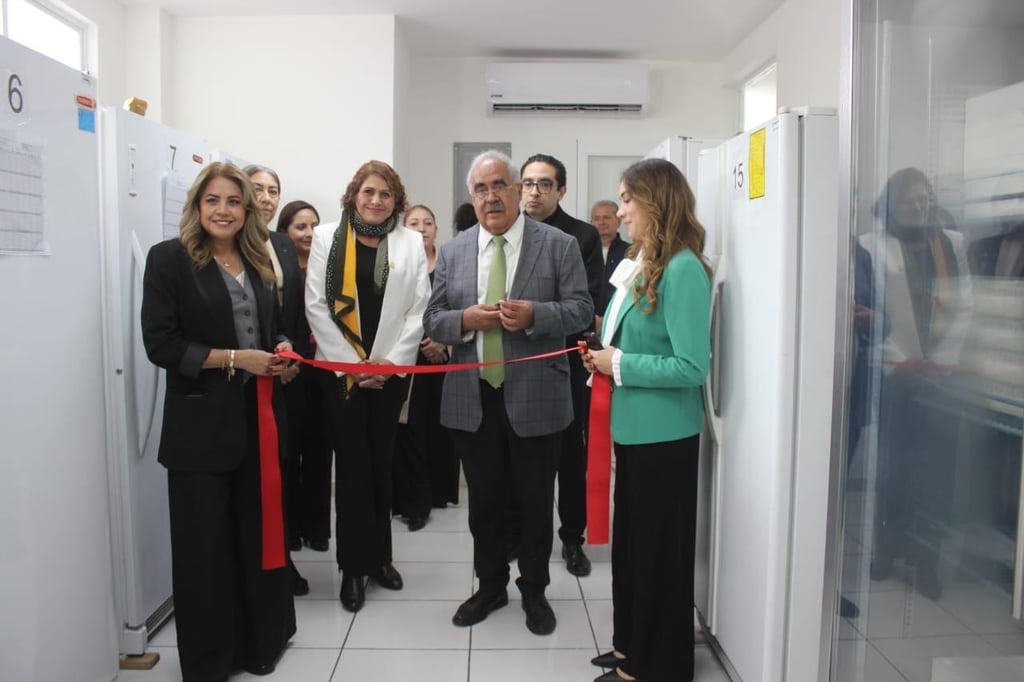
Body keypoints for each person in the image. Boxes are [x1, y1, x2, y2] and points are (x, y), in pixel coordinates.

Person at [423, 150, 593, 636]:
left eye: (500, 184)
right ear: (471, 198)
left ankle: (534, 591)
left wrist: (538, 316)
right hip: (472, 397)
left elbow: (581, 310)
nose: (491, 195)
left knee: (536, 503)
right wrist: (465, 321)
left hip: (536, 398)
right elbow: (433, 320)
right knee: (485, 504)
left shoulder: (558, 245)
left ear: (518, 190)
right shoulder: (454, 251)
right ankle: (491, 585)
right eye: (480, 188)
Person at [141, 161, 296, 679]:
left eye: (234, 201)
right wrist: (235, 359)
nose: (224, 210)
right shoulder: (170, 260)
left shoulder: (256, 261)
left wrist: (281, 348)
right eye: (214, 200)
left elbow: (266, 329)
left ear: (247, 210)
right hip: (199, 433)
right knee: (203, 550)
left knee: (254, 535)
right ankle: (211, 661)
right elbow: (161, 346)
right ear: (197, 206)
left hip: (257, 422)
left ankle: (259, 645)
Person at [581, 158, 711, 682]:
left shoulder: (683, 269)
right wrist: (604, 353)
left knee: (658, 556)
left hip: (665, 437)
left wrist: (620, 364)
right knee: (635, 551)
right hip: (634, 430)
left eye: (629, 200)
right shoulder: (644, 260)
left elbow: (691, 366)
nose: (621, 210)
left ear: (657, 202)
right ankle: (632, 645)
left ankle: (658, 666)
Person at [305, 160, 430, 613]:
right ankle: (353, 569)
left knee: (382, 466)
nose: (376, 200)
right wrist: (352, 366)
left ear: (396, 200)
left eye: (385, 194)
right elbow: (316, 306)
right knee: (353, 470)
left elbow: (419, 308)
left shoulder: (411, 241)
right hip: (342, 377)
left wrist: (390, 363)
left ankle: (380, 559)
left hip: (390, 375)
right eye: (368, 192)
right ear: (353, 195)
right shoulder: (326, 238)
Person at [860, 167, 971, 601]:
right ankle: (887, 551)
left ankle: (928, 563)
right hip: (895, 373)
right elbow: (867, 306)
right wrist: (901, 359)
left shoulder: (950, 244)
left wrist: (941, 361)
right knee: (892, 470)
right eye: (911, 201)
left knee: (935, 475)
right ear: (893, 205)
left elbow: (965, 305)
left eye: (925, 199)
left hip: (941, 376)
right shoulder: (871, 246)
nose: (920, 207)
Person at [520, 153, 604, 577]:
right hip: (515, 363)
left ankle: (573, 539)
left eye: (545, 184)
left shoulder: (582, 236)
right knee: (522, 459)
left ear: (561, 190)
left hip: (565, 363)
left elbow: (584, 302)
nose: (534, 191)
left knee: (571, 456)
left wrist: (534, 313)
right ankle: (523, 535)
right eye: (528, 183)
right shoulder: (507, 231)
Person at [244, 164, 309, 596]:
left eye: (273, 190)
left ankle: (282, 555)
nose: (266, 198)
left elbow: (289, 311)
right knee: (255, 473)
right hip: (244, 373)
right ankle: (263, 563)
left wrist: (288, 348)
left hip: (289, 369)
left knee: (284, 466)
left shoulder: (282, 245)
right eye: (258, 190)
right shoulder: (231, 246)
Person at [392, 205, 458, 531]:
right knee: (411, 429)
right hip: (409, 355)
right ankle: (414, 502)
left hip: (444, 357)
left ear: (436, 229)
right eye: (414, 223)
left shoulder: (449, 262)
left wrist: (441, 343)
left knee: (441, 426)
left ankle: (439, 492)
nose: (421, 228)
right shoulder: (396, 263)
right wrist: (421, 342)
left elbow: (459, 306)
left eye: (427, 223)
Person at [275, 200, 333, 555]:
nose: (309, 233)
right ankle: (290, 528)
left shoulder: (327, 267)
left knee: (319, 452)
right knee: (287, 454)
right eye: (300, 226)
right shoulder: (275, 270)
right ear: (284, 233)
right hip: (287, 372)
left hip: (323, 370)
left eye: (314, 225)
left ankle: (317, 528)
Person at [591, 199, 630, 332]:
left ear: (618, 221)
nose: (601, 222)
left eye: (606, 217)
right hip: (589, 324)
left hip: (620, 323)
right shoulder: (582, 251)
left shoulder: (631, 252)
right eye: (596, 218)